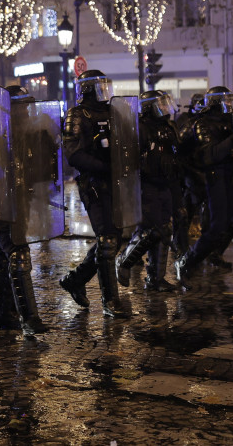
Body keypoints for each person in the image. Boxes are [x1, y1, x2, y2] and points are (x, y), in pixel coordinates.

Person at [174, 86, 233, 293]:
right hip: (215, 179)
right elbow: (209, 155)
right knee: (216, 229)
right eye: (227, 101)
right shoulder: (203, 124)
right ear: (215, 102)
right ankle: (186, 262)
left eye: (232, 101)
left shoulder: (232, 121)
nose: (231, 105)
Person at [58, 70, 130, 318]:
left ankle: (75, 280)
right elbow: (74, 154)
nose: (104, 91)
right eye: (98, 87)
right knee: (107, 240)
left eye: (105, 86)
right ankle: (110, 300)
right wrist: (107, 167)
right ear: (87, 89)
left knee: (114, 238)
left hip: (115, 182)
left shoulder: (112, 111)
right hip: (94, 183)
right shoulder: (77, 114)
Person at [0, 85, 51, 335]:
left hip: (22, 201)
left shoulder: (29, 133)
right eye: (21, 106)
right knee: (18, 253)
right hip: (2, 202)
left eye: (27, 105)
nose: (26, 110)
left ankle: (1, 311)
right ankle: (28, 318)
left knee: (6, 255)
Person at [116, 90, 180, 292]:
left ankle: (156, 278)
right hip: (147, 184)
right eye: (160, 104)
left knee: (164, 229)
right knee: (150, 230)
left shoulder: (168, 127)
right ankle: (125, 261)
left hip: (165, 182)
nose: (164, 108)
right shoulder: (140, 128)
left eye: (165, 103)